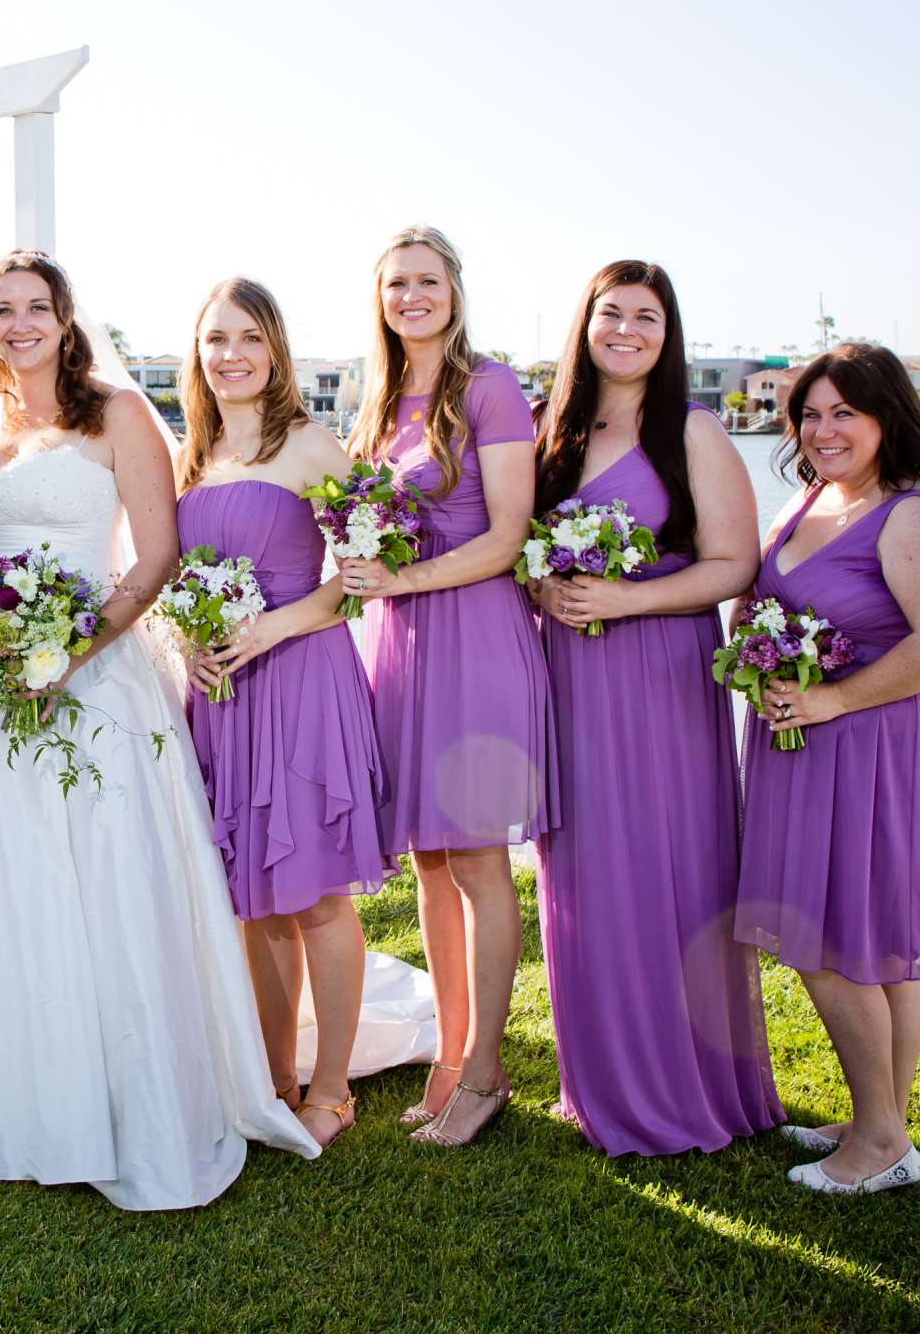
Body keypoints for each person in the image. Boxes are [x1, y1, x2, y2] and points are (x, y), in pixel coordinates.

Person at [0, 250, 319, 1208]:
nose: (17, 325)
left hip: (96, 675)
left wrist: (67, 653)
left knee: (99, 873)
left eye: (34, 308)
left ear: (66, 315)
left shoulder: (119, 414)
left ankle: (120, 1094)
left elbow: (158, 554)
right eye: (1, 310)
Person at [527, 261, 783, 1157]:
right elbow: (522, 553)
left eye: (648, 316)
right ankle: (599, 1080)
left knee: (671, 869)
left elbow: (735, 565)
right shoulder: (549, 431)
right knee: (587, 876)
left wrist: (623, 600)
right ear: (585, 323)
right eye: (612, 313)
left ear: (668, 335)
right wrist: (546, 593)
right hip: (570, 682)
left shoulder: (694, 432)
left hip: (663, 677)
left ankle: (690, 1083)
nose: (627, 330)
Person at [174, 279, 434, 1149]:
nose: (232, 355)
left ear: (275, 349)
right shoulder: (193, 452)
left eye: (249, 337)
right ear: (198, 352)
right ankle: (273, 1074)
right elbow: (179, 574)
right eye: (216, 339)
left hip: (300, 683)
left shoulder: (311, 444)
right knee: (254, 899)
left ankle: (332, 1090)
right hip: (224, 693)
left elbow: (369, 561)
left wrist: (270, 627)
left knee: (317, 894)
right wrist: (196, 640)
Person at [737, 343, 920, 1194]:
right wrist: (760, 661)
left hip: (875, 746)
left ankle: (878, 1141)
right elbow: (760, 609)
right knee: (864, 941)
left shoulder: (912, 517)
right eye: (810, 412)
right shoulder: (804, 504)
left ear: (889, 420)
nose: (824, 429)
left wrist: (834, 701)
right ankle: (883, 1119)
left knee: (831, 940)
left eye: (845, 412)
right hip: (802, 742)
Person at [337, 225, 552, 1149]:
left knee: (474, 858)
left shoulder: (489, 387)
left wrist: (402, 582)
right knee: (429, 858)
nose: (411, 297)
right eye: (395, 285)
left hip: (472, 637)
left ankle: (489, 1070)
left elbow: (509, 535)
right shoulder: (380, 395)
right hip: (401, 644)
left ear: (455, 290)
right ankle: (450, 1053)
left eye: (426, 282)